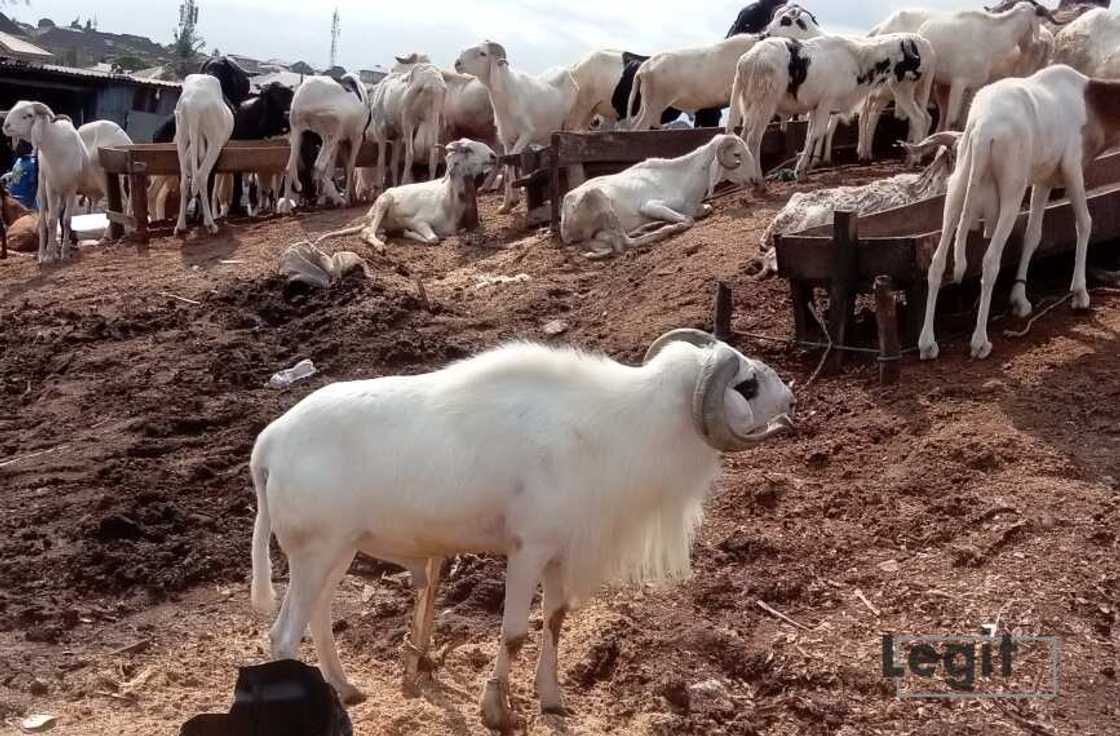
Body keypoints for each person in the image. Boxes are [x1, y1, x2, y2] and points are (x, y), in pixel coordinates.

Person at [7, 141, 38, 210]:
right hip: (24, 199)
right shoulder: (32, 164)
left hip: (13, 195)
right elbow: (32, 185)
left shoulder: (18, 161)